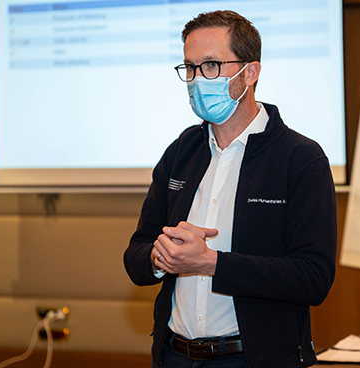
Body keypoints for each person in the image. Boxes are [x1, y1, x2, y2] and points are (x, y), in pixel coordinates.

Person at [124, 10, 337, 368]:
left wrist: (211, 263)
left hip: (252, 358)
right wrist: (162, 258)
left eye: (210, 66)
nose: (196, 80)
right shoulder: (181, 151)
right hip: (174, 356)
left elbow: (313, 278)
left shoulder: (300, 158)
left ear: (250, 73)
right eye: (189, 68)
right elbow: (136, 256)